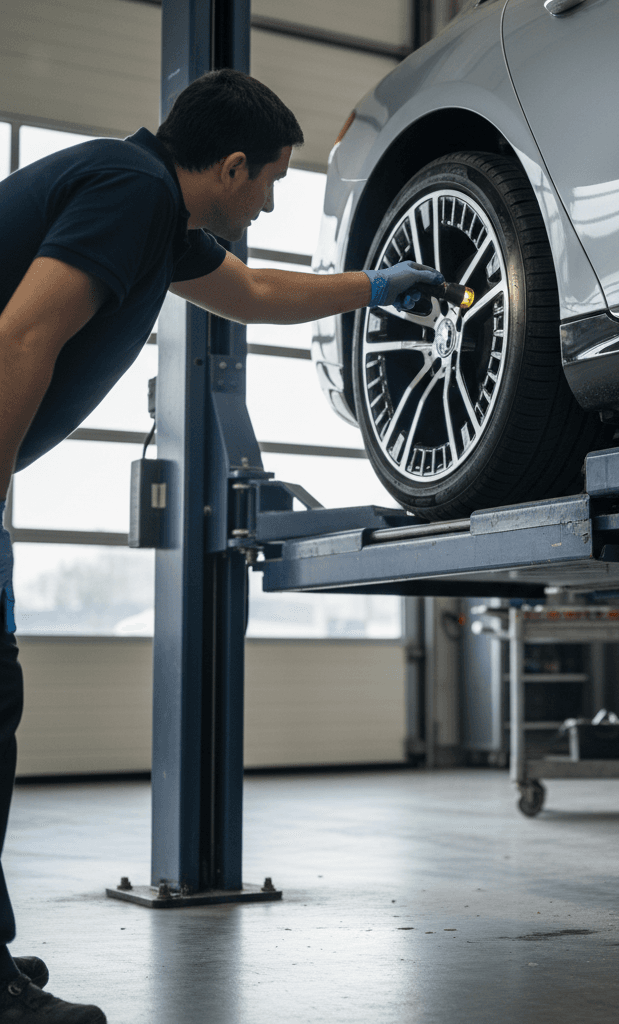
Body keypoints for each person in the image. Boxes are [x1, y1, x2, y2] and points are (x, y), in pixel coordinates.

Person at [0, 69, 442, 1023]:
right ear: (233, 166)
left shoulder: (154, 210)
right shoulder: (132, 194)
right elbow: (21, 337)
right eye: (274, 180)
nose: (274, 200)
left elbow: (252, 294)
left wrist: (372, 286)